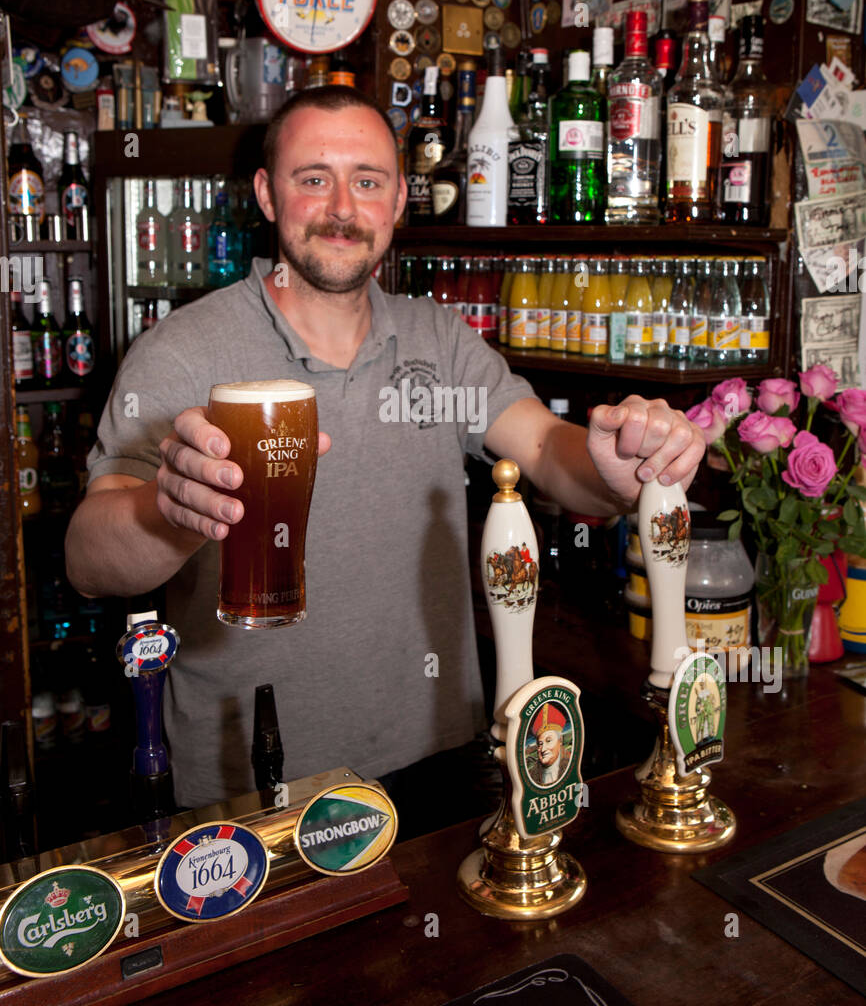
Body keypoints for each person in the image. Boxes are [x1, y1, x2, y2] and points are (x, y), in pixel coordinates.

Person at [66, 86, 704, 828]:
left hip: (441, 758)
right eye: (314, 178)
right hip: (250, 783)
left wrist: (618, 465)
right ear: (268, 196)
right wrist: (168, 511)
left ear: (400, 199)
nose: (342, 206)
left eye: (367, 181)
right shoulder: (181, 350)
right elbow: (87, 559)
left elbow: (549, 451)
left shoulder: (440, 341)